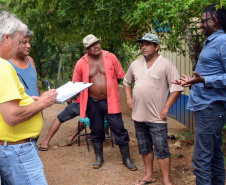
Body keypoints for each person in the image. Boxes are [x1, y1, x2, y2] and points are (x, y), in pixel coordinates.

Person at [0, 11, 57, 185]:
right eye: (18, 42)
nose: (20, 46)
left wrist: (27, 100)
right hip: (17, 150)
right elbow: (12, 116)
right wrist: (42, 103)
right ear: (7, 37)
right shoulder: (4, 66)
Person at [172, 4, 226, 185]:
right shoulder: (212, 41)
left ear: (215, 20)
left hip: (211, 108)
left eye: (203, 21)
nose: (201, 24)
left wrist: (204, 80)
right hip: (207, 106)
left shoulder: (223, 41)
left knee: (201, 160)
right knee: (215, 155)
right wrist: (190, 81)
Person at [123, 33, 183, 185]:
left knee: (162, 149)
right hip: (138, 115)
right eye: (142, 44)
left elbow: (176, 89)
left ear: (157, 47)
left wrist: (166, 107)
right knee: (144, 147)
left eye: (148, 44)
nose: (144, 47)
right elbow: (126, 82)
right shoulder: (135, 64)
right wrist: (129, 98)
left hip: (157, 117)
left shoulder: (166, 64)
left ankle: (166, 181)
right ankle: (149, 175)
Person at [73, 34, 137, 170]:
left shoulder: (110, 57)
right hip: (92, 102)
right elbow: (76, 84)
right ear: (86, 49)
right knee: (96, 130)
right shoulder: (81, 63)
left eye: (96, 43)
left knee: (119, 129)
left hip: (111, 101)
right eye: (91, 45)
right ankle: (99, 158)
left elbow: (121, 76)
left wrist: (110, 88)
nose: (95, 46)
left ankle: (127, 159)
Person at [8, 29, 40, 97]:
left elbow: (35, 86)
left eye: (29, 42)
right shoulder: (6, 63)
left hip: (36, 106)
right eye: (24, 42)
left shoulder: (30, 60)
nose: (28, 46)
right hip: (20, 107)